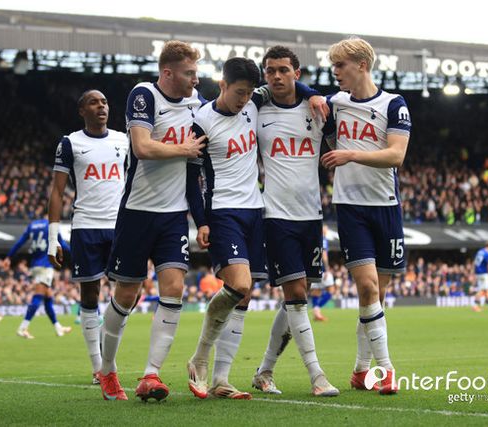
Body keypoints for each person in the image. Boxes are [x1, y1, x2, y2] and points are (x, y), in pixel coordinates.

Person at [186, 56, 328, 400]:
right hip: (223, 211)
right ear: (222, 85)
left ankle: (221, 379)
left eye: (249, 93)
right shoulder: (202, 121)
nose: (244, 99)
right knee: (239, 285)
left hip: (256, 211)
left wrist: (311, 93)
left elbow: (289, 84)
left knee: (245, 295)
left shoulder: (254, 103)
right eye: (238, 92)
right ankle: (199, 358)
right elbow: (191, 178)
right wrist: (201, 221)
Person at [98, 40, 205, 402]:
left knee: (174, 288)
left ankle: (151, 374)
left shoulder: (197, 104)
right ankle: (107, 370)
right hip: (137, 211)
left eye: (196, 73)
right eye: (189, 73)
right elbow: (142, 147)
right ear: (168, 72)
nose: (195, 79)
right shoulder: (144, 95)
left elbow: (234, 102)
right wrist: (184, 149)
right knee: (126, 295)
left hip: (173, 215)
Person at [320, 37, 412, 395]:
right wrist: (312, 96)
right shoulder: (335, 104)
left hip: (386, 206)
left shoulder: (394, 104)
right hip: (350, 207)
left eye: (340, 65)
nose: (335, 72)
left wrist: (351, 155)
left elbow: (396, 156)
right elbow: (312, 105)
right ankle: (386, 370)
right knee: (368, 287)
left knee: (375, 296)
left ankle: (360, 369)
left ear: (361, 65)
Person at [251, 46, 338, 397]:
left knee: (297, 298)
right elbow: (228, 102)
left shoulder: (317, 109)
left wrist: (312, 94)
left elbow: (339, 141)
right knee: (297, 295)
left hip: (311, 216)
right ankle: (317, 375)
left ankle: (264, 370)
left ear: (296, 74)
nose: (276, 76)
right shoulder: (257, 110)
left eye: (283, 70)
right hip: (276, 215)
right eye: (270, 70)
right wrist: (309, 90)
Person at [47, 89, 129, 385]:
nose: (101, 106)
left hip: (120, 225)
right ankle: (99, 367)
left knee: (129, 293)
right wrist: (53, 238)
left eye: (104, 102)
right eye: (93, 102)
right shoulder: (70, 143)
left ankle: (107, 342)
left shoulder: (124, 140)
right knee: (90, 294)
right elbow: (57, 191)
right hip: (86, 226)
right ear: (82, 111)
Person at [6, 214, 71, 339]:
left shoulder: (32, 225)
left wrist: (9, 256)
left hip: (35, 265)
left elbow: (19, 243)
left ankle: (58, 327)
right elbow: (62, 244)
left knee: (48, 297)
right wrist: (76, 253)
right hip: (45, 265)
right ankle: (23, 328)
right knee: (38, 296)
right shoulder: (52, 225)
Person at [472, 240, 488, 312]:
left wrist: (473, 272)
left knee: (484, 290)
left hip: (478, 273)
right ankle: (475, 305)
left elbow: (475, 262)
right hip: (484, 273)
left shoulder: (480, 252)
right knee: (484, 290)